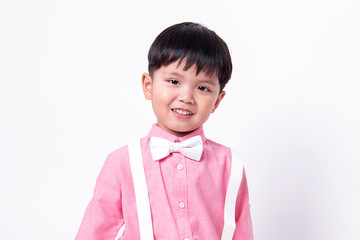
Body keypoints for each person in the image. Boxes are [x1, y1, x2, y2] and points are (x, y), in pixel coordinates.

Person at [76, 22, 253, 240]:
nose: (186, 97)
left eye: (203, 88)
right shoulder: (122, 162)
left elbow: (242, 232)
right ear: (148, 86)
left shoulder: (230, 164)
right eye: (174, 81)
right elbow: (95, 233)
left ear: (217, 100)